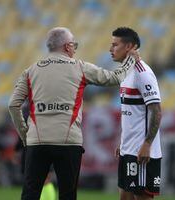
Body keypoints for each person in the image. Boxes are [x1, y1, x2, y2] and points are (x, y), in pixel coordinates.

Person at [8, 27, 138, 200]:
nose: (74, 49)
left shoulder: (31, 71)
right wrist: (130, 60)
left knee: (30, 194)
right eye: (74, 45)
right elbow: (115, 77)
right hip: (68, 141)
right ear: (68, 46)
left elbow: (13, 105)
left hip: (37, 141)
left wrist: (25, 135)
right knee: (68, 195)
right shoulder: (80, 67)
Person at [111, 27, 162, 200]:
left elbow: (156, 110)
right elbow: (132, 113)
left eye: (115, 45)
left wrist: (147, 144)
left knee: (142, 197)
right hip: (128, 149)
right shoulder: (126, 73)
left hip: (141, 152)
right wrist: (123, 141)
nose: (111, 49)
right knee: (124, 197)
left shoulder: (143, 73)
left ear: (129, 47)